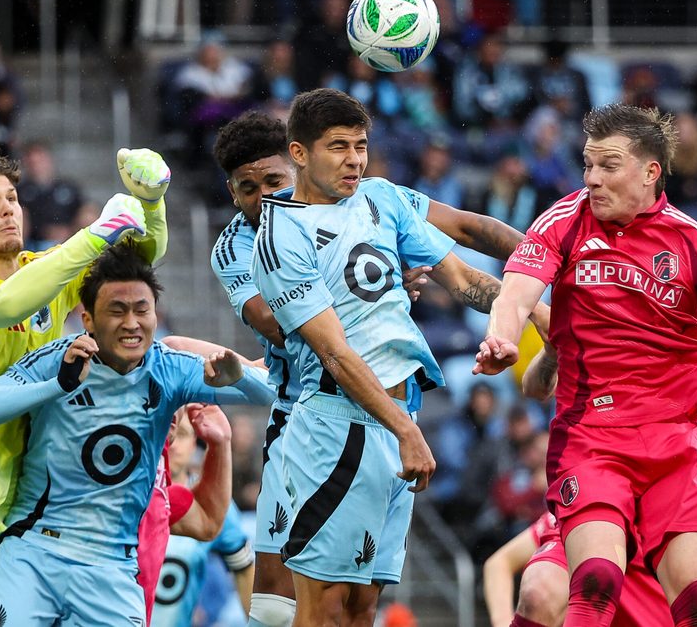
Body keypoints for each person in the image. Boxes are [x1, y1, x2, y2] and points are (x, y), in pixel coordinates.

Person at [475, 103, 697, 626]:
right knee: (592, 585)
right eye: (587, 164)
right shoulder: (563, 222)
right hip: (593, 438)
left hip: (676, 446)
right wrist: (502, 337)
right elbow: (516, 294)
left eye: (608, 166)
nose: (592, 180)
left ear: (650, 172)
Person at [210, 108, 527, 626]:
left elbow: (467, 240)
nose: (262, 196)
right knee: (278, 603)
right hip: (308, 416)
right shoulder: (249, 242)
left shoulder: (373, 198)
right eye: (249, 188)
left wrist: (547, 280)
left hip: (388, 410)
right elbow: (278, 322)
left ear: (292, 167)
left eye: (271, 182)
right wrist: (380, 283)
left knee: (362, 605)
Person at [0, 146, 171, 626]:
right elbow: (9, 304)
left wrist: (151, 204)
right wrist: (92, 238)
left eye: (12, 197)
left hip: (27, 528)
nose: (8, 208)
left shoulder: (45, 272)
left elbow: (136, 266)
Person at [0, 243, 274, 625]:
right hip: (34, 551)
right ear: (87, 318)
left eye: (142, 310)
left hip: (111, 567)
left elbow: (271, 391)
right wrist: (57, 385)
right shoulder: (59, 360)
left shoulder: (169, 369)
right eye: (117, 310)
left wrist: (238, 377)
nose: (132, 323)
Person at [488, 306, 697, 627]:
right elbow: (537, 388)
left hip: (672, 520)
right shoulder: (627, 334)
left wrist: (662, 479)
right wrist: (548, 345)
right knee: (540, 591)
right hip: (599, 490)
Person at [152, 409, 255, 627]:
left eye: (181, 434)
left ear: (194, 442)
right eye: (164, 434)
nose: (171, 443)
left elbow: (244, 566)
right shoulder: (131, 489)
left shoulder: (211, 502)